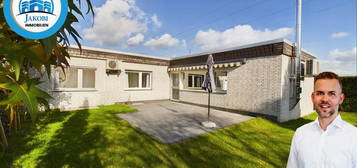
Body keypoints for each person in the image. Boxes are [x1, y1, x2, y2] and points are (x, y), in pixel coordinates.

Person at [287, 71, 357, 168]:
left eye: (331, 94)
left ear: (341, 98)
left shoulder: (354, 136)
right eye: (320, 93)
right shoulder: (300, 133)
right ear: (313, 97)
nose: (325, 99)